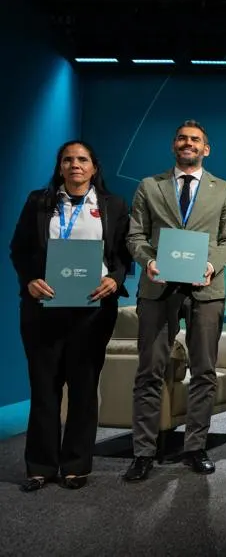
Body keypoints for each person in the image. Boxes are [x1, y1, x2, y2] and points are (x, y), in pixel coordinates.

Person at [123, 120, 226, 482]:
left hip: (205, 288)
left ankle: (195, 447)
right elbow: (135, 236)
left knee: (203, 370)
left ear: (206, 149)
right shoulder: (149, 185)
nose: (187, 144)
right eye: (182, 138)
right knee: (149, 371)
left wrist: (211, 264)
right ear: (174, 145)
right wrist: (148, 261)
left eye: (195, 140)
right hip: (158, 288)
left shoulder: (224, 189)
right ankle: (143, 451)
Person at [10, 141, 131, 491]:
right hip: (43, 310)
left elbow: (123, 254)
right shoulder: (39, 201)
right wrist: (30, 280)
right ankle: (41, 466)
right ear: (59, 166)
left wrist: (114, 279)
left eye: (82, 160)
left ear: (94, 167)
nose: (75, 165)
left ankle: (76, 464)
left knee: (83, 389)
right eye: (68, 160)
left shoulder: (113, 205)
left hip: (93, 311)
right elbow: (19, 249)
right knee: (45, 389)